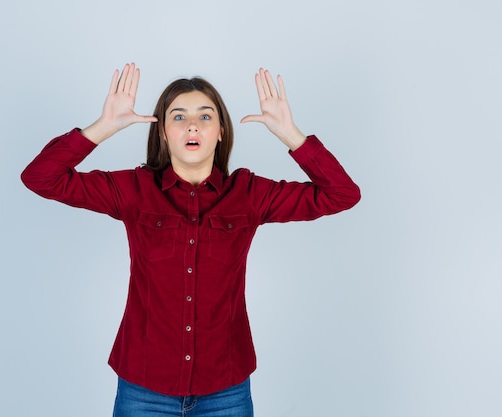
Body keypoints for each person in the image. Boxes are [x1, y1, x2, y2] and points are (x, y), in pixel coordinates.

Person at [21, 63, 360, 417]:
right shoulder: (134, 190)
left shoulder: (249, 194)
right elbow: (41, 177)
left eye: (205, 116)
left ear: (221, 132)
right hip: (143, 390)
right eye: (178, 117)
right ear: (164, 133)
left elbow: (341, 194)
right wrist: (102, 127)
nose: (193, 124)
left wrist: (291, 135)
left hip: (225, 392)